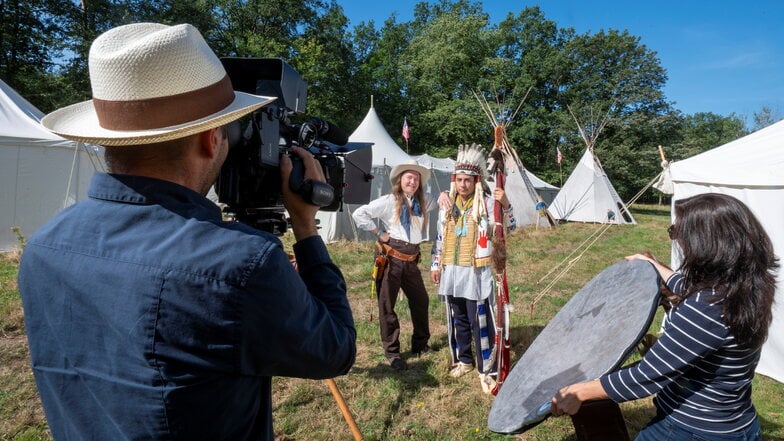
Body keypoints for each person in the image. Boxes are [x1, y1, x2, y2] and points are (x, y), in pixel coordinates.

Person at [19, 23, 356, 441]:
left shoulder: (43, 246)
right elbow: (335, 349)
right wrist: (306, 228)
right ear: (212, 139)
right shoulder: (240, 265)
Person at [551, 193, 778, 440]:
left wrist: (579, 392)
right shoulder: (750, 286)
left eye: (677, 232)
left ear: (705, 242)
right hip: (735, 422)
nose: (677, 240)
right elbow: (687, 287)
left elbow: (647, 376)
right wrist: (653, 265)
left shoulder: (705, 308)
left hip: (690, 430)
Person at [430, 144, 515, 393]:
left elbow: (511, 228)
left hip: (476, 273)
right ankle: (465, 360)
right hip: (452, 272)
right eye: (459, 180)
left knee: (480, 322)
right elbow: (438, 239)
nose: (463, 185)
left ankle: (486, 369)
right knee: (459, 320)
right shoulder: (446, 205)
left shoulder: (487, 204)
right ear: (453, 180)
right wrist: (436, 265)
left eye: (467, 180)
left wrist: (506, 204)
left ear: (476, 181)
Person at [352, 160, 442, 371]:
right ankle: (393, 353)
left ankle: (420, 345)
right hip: (391, 259)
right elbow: (359, 214)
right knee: (387, 306)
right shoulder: (389, 200)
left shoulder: (423, 201)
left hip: (411, 261)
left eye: (416, 178)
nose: (412, 181)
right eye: (408, 177)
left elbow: (440, 200)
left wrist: (445, 194)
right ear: (400, 180)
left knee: (421, 301)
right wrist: (378, 233)